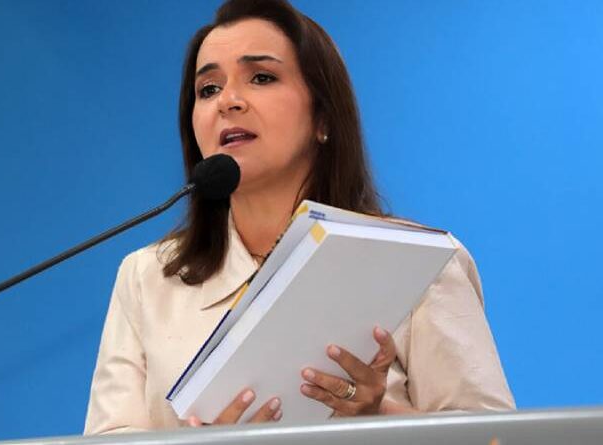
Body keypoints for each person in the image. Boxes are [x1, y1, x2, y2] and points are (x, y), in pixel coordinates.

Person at [84, 0, 514, 434]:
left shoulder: (418, 260)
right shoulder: (146, 278)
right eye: (208, 89)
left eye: (261, 77)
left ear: (323, 117)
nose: (228, 101)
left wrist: (378, 419)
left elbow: (498, 438)